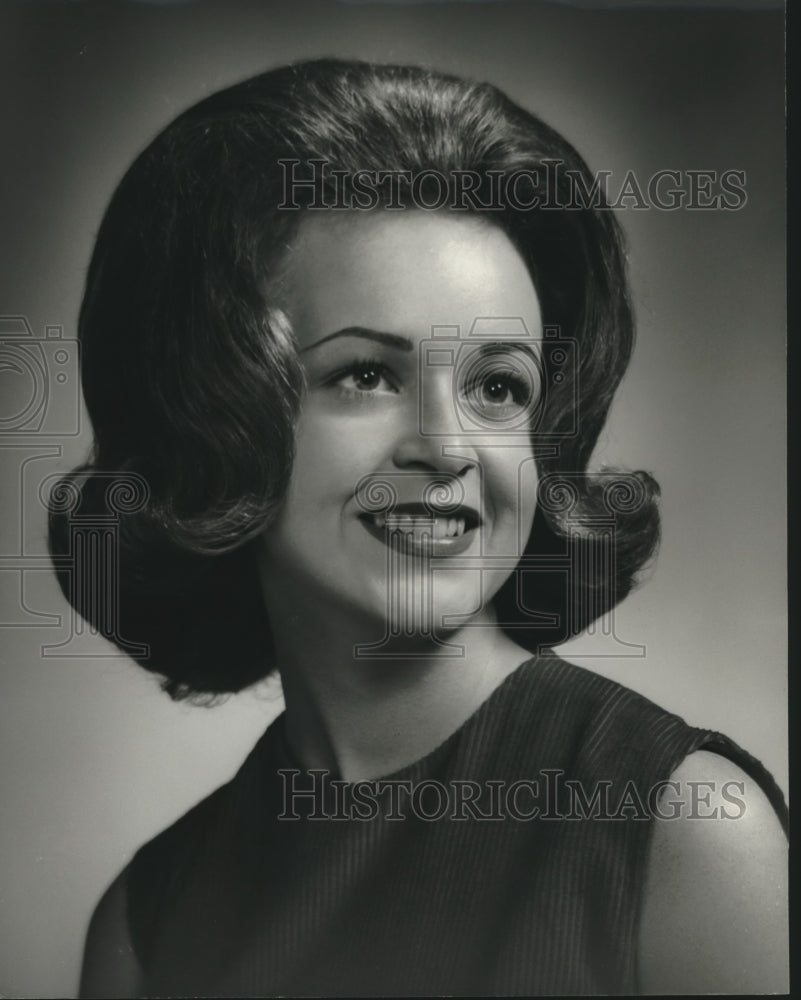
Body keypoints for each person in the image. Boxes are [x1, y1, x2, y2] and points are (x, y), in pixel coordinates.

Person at [50, 59, 788, 996]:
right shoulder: (145, 923)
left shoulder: (683, 830)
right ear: (213, 414)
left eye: (496, 387)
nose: (446, 448)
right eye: (366, 374)